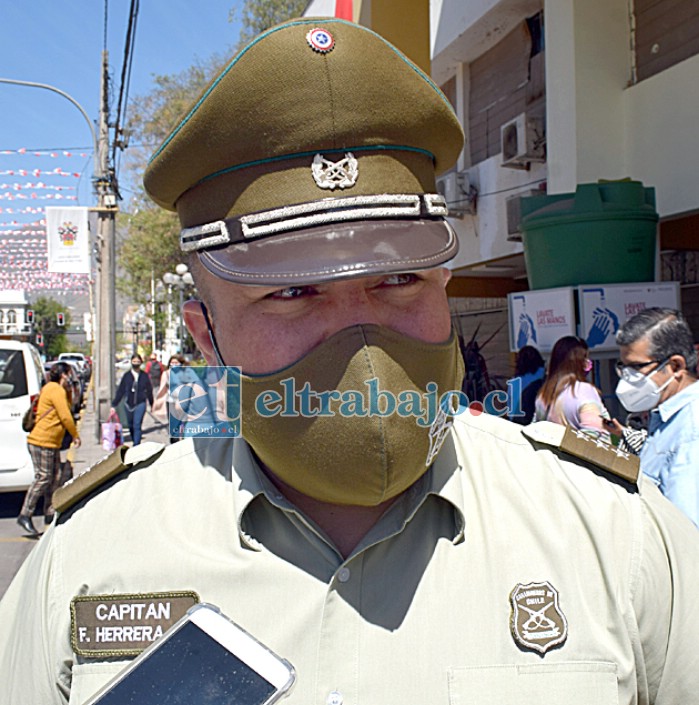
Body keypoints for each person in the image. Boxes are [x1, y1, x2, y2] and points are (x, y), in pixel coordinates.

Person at [1, 18, 698, 704]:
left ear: (442, 286)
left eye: (397, 280)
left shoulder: (613, 537)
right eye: (293, 292)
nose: (361, 339)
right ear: (206, 335)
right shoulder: (90, 558)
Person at [613, 307, 699, 526]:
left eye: (636, 367)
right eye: (623, 366)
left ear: (675, 366)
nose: (626, 378)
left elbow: (686, 530)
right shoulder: (664, 418)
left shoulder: (691, 429)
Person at [16, 361, 81, 536]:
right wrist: (75, 435)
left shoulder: (54, 389)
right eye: (68, 374)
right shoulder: (55, 389)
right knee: (43, 477)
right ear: (63, 375)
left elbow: (67, 405)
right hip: (42, 441)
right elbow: (66, 416)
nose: (71, 378)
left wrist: (68, 390)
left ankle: (50, 512)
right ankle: (25, 514)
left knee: (55, 478)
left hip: (51, 442)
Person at [534, 335, 611, 441]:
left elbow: (536, 429)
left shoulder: (543, 395)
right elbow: (594, 433)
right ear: (580, 362)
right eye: (586, 359)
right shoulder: (584, 391)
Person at [110, 353, 154, 446]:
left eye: (138, 361)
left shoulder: (144, 376)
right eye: (134, 361)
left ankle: (136, 445)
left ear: (141, 362)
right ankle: (134, 438)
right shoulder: (127, 376)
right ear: (131, 362)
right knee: (131, 425)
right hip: (128, 404)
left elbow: (149, 390)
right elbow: (121, 391)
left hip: (140, 403)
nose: (136, 363)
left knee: (137, 424)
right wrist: (114, 404)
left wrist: (152, 403)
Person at [151, 353, 185, 443]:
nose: (174, 365)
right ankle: (175, 442)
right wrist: (157, 402)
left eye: (176, 363)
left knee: (183, 423)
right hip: (171, 401)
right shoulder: (166, 374)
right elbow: (162, 389)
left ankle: (183, 441)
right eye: (172, 363)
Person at [508, 344, 545, 424]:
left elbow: (510, 405)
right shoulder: (542, 374)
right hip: (534, 419)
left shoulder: (514, 381)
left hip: (516, 420)